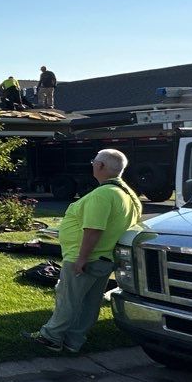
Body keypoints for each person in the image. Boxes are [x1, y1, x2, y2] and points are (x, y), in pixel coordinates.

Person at [30, 149, 142, 353]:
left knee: (68, 299)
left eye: (94, 162)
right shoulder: (126, 195)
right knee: (90, 304)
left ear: (100, 166)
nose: (92, 165)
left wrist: (81, 259)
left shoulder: (103, 194)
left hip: (86, 258)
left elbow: (93, 230)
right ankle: (74, 341)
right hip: (104, 258)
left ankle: (51, 337)